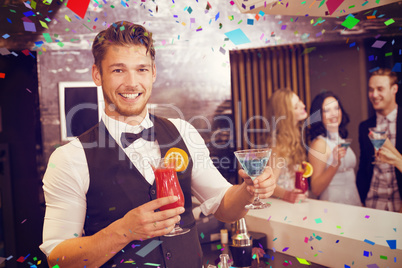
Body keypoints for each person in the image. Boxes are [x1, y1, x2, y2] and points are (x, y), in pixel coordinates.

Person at [39, 21, 276, 268]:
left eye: (141, 69)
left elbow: (223, 206)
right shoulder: (70, 158)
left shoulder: (183, 131)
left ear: (153, 73)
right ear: (97, 75)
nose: (132, 83)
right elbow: (58, 258)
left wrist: (248, 191)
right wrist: (124, 230)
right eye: (118, 70)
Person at [356, 68, 402, 212]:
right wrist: (361, 200)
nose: (374, 95)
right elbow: (363, 167)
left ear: (394, 89)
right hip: (373, 205)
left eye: (380, 89)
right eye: (371, 89)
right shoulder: (364, 127)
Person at [307, 91, 361, 206]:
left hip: (354, 203)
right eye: (327, 110)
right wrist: (334, 164)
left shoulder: (341, 139)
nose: (333, 114)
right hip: (332, 207)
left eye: (336, 108)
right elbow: (316, 188)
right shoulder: (319, 144)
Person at [265, 88, 308, 203]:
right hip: (282, 205)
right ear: (286, 114)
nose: (303, 105)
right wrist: (287, 195)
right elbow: (269, 184)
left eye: (300, 102)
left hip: (294, 203)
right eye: (296, 107)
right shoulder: (278, 145)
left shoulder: (294, 137)